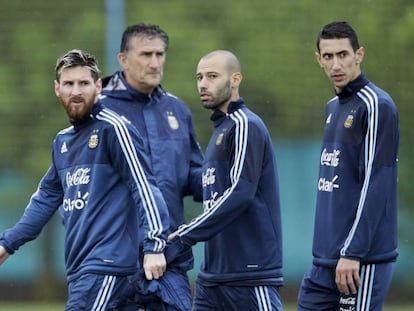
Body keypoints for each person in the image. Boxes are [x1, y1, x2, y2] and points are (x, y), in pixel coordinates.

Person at [0, 49, 170, 311]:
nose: (76, 91)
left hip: (107, 266)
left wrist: (154, 245)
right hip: (81, 268)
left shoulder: (114, 128)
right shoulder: (62, 142)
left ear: (98, 86)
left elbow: (144, 186)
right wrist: (8, 243)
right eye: (69, 83)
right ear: (57, 89)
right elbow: (45, 198)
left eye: (84, 83)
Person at [167, 50, 284, 310]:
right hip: (213, 278)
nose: (203, 84)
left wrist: (185, 235)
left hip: (250, 275)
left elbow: (240, 191)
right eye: (199, 77)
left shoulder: (245, 125)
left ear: (235, 79)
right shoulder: (221, 129)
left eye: (212, 76)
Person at [99, 22, 204, 310]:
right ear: (123, 59)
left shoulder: (177, 110)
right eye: (146, 54)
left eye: (160, 54)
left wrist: (224, 180)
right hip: (113, 257)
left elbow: (194, 175)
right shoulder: (98, 109)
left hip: (168, 257)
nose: (155, 62)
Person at [297, 21, 399, 311]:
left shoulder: (377, 105)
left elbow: (377, 181)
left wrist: (353, 252)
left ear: (359, 55)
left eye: (343, 54)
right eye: (328, 56)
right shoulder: (333, 107)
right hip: (325, 262)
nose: (336, 64)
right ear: (319, 60)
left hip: (361, 261)